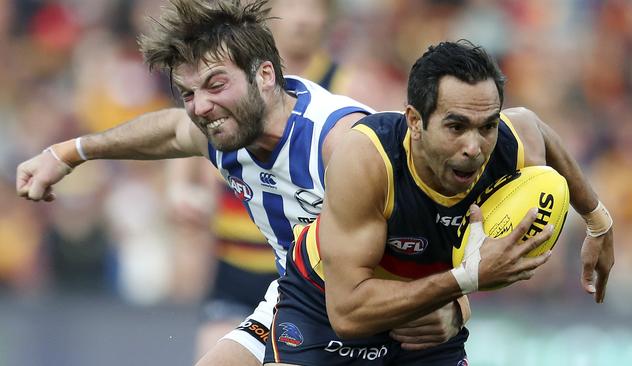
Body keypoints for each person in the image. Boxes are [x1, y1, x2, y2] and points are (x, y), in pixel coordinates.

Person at [15, 1, 468, 365]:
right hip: (300, 299)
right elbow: (171, 131)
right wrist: (67, 153)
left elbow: (446, 211)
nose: (201, 106)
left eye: (215, 84)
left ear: (265, 74)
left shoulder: (339, 141)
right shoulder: (226, 128)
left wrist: (459, 306)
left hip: (387, 315)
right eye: (189, 93)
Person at [264, 41, 615, 365]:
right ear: (415, 121)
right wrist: (464, 282)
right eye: (456, 127)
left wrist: (598, 220)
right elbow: (347, 314)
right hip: (322, 308)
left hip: (427, 325)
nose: (474, 147)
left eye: (487, 126)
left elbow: (535, 127)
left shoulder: (507, 146)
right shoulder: (368, 159)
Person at [163, 0, 374, 359]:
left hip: (308, 265)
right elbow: (183, 135)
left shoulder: (347, 85)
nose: (303, 19)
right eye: (293, 7)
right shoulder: (228, 85)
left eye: (313, 9)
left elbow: (380, 155)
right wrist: (180, 188)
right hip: (236, 259)